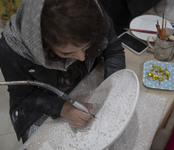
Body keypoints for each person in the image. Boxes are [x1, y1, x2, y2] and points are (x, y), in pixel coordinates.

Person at [0, 0, 125, 143]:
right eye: (67, 53)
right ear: (43, 44)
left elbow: (113, 50)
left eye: (86, 47)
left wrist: (113, 86)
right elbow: (24, 98)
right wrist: (64, 109)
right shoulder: (12, 49)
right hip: (42, 104)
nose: (82, 57)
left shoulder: (92, 13)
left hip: (82, 79)